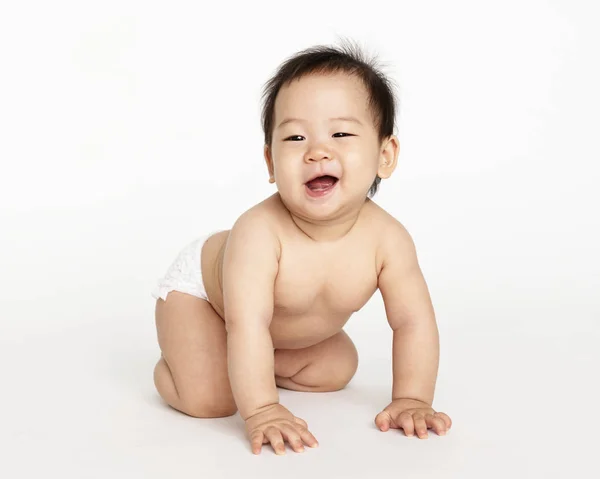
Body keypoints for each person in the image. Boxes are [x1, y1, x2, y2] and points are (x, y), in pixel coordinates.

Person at [151, 41, 452, 455]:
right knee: (213, 400)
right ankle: (181, 363)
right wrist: (261, 409)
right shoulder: (258, 234)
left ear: (385, 154)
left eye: (341, 133)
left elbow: (413, 323)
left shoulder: (388, 239)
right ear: (271, 163)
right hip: (203, 298)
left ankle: (246, 363)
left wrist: (413, 398)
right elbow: (248, 323)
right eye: (295, 137)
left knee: (337, 368)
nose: (317, 151)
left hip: (269, 333)